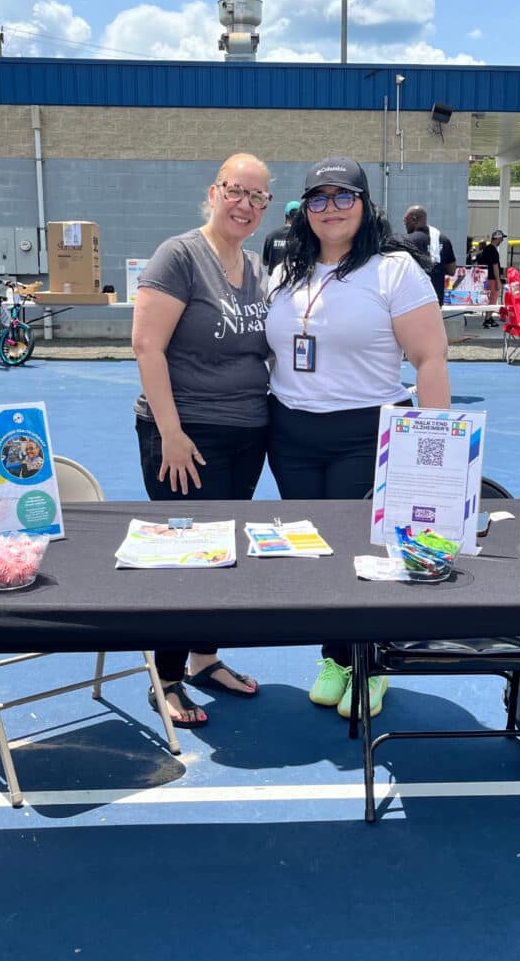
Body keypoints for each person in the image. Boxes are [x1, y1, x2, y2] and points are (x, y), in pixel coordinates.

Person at [265, 156, 450, 720]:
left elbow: (429, 356)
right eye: (317, 198)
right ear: (303, 211)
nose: (330, 209)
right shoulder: (285, 270)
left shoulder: (395, 270)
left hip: (366, 431)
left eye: (343, 196)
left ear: (365, 205)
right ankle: (336, 656)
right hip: (290, 432)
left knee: (362, 553)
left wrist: (435, 444)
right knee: (315, 552)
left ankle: (372, 660)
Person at [131, 152, 271, 727]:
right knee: (183, 560)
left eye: (258, 197)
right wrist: (171, 432)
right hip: (184, 435)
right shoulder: (180, 255)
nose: (245, 205)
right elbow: (147, 345)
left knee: (224, 554)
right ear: (215, 192)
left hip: (247, 435)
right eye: (237, 192)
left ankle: (203, 659)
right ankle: (164, 677)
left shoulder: (258, 267)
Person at [402, 205, 457, 305]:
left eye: (405, 219)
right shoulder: (444, 240)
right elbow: (452, 270)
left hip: (414, 299)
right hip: (436, 299)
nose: (404, 223)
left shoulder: (407, 241)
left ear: (414, 219)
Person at [262, 200, 301, 275]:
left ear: (286, 216)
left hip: (274, 283)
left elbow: (265, 262)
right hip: (296, 283)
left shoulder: (271, 236)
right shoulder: (304, 238)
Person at [475, 230, 505, 327]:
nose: (502, 240)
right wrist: (498, 280)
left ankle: (489, 317)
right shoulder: (493, 250)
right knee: (492, 299)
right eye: (502, 238)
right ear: (498, 238)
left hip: (486, 277)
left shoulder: (487, 249)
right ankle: (487, 319)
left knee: (489, 298)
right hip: (491, 278)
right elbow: (495, 265)